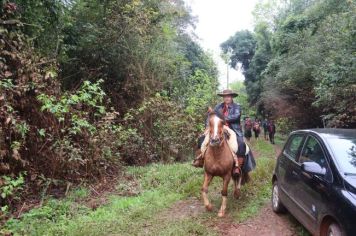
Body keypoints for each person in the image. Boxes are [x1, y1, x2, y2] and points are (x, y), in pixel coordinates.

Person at [193, 89, 256, 176]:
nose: (227, 98)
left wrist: (220, 119)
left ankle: (237, 166)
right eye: (225, 96)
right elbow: (210, 116)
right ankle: (201, 160)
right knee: (201, 139)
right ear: (223, 97)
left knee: (241, 144)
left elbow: (235, 117)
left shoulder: (237, 107)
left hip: (233, 130)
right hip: (218, 128)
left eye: (229, 96)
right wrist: (208, 126)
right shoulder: (218, 106)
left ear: (232, 97)